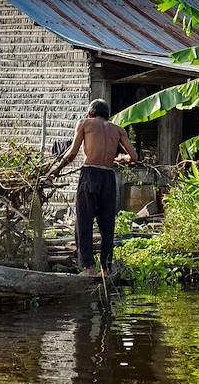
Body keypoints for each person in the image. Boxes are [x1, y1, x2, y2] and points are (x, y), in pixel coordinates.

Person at [48, 99, 138, 275]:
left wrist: (56, 170)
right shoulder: (118, 130)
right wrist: (120, 159)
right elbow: (133, 156)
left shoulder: (84, 123)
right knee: (107, 225)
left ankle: (89, 268)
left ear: (90, 113)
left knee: (84, 222)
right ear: (107, 115)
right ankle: (105, 268)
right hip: (108, 177)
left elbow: (72, 153)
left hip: (90, 174)